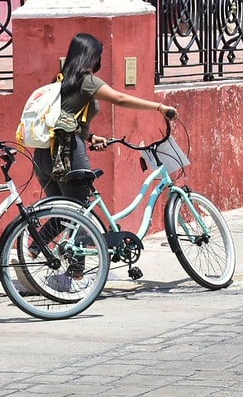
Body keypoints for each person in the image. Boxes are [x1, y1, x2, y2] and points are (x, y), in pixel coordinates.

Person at [28, 32, 177, 291]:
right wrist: (158, 107)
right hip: (68, 153)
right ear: (92, 56)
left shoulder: (61, 80)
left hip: (44, 153)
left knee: (64, 213)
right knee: (83, 214)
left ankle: (30, 255)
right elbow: (119, 98)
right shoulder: (86, 81)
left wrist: (90, 135)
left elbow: (67, 118)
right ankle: (74, 277)